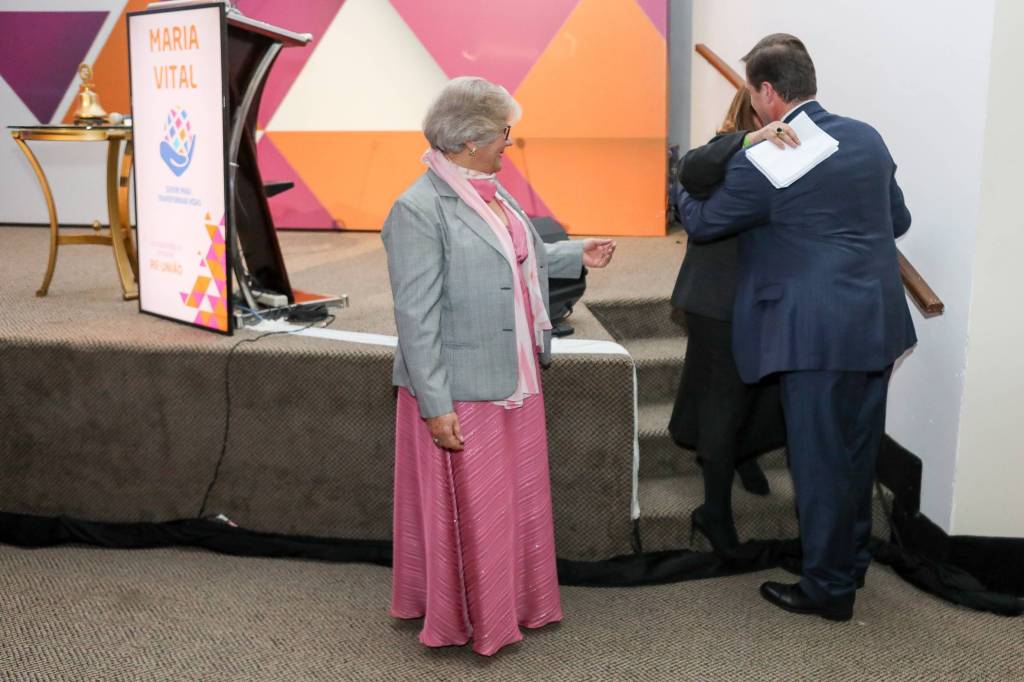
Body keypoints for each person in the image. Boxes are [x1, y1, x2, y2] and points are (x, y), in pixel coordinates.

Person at [680, 34, 916, 621]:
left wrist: (682, 188)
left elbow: (705, 223)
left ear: (766, 93)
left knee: (818, 461)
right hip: (876, 322)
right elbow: (898, 219)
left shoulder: (772, 156)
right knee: (856, 453)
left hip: (813, 334)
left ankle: (827, 588)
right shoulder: (866, 136)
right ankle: (849, 561)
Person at [382, 76, 616, 655]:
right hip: (462, 391)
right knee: (481, 510)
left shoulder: (488, 189)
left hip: (513, 376)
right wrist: (435, 407)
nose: (509, 143)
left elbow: (516, 254)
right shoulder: (417, 209)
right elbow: (415, 318)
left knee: (514, 501)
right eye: (503, 133)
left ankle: (516, 602)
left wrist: (574, 253)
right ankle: (475, 620)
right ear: (469, 141)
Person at [669, 86, 797, 557]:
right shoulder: (723, 152)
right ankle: (715, 510)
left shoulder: (800, 153)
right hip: (719, 297)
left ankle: (742, 457)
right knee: (723, 400)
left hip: (769, 296)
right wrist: (749, 140)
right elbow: (691, 174)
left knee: (764, 392)